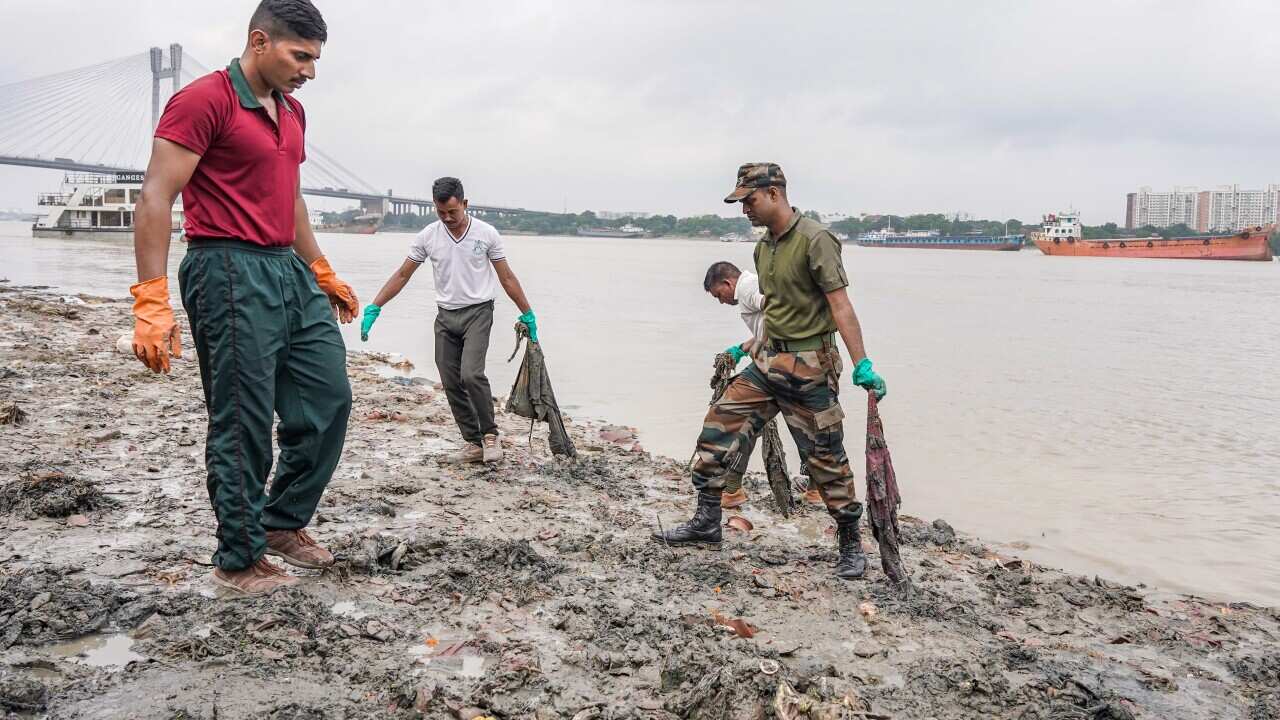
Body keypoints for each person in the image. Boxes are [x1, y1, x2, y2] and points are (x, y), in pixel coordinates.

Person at [130, 0, 355, 597]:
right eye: (299, 55)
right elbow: (156, 195)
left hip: (287, 268)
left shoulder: (293, 111)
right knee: (243, 417)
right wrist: (151, 298)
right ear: (260, 42)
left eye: (314, 59)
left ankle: (282, 523)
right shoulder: (206, 99)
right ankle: (238, 558)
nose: (309, 70)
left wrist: (321, 268)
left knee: (329, 397)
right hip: (226, 267)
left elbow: (293, 198)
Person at [654, 163, 887, 581]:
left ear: (775, 193)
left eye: (749, 199)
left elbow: (840, 305)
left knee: (825, 459)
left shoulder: (817, 240)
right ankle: (707, 522)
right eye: (741, 201)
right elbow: (775, 312)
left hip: (810, 368)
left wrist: (862, 363)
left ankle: (851, 543)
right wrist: (749, 348)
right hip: (767, 362)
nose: (744, 208)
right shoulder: (763, 249)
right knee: (717, 428)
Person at [361, 177, 537, 464]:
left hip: (478, 312)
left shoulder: (486, 234)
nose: (447, 218)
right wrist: (375, 307)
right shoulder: (429, 236)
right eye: (440, 212)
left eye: (453, 212)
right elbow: (403, 274)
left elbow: (506, 277)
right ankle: (473, 442)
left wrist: (527, 313)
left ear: (465, 204)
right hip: (445, 316)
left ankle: (490, 436)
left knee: (471, 374)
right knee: (450, 379)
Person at [703, 261, 822, 508]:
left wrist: (766, 346)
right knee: (753, 425)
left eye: (718, 295)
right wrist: (743, 348)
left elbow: (778, 310)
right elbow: (769, 323)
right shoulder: (751, 286)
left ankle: (816, 490)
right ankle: (733, 489)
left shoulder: (747, 286)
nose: (721, 301)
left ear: (728, 283)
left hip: (788, 365)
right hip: (775, 363)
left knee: (804, 428)